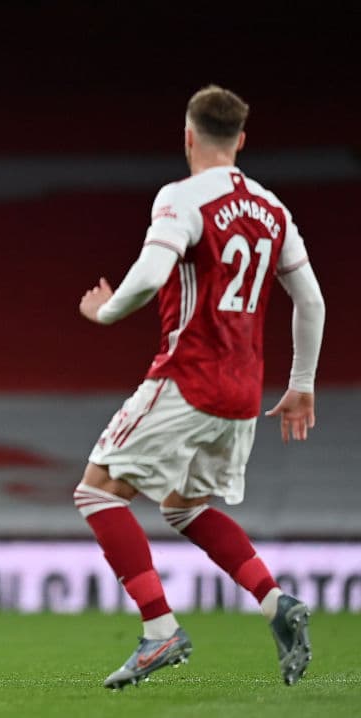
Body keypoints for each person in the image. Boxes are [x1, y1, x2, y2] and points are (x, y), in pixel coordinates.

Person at [75, 84, 324, 689]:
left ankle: (159, 631)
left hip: (187, 377)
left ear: (188, 136)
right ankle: (274, 601)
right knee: (183, 506)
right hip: (244, 391)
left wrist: (105, 313)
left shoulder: (182, 198)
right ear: (240, 140)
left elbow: (154, 271)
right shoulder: (273, 210)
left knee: (98, 493)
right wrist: (302, 385)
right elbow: (310, 300)